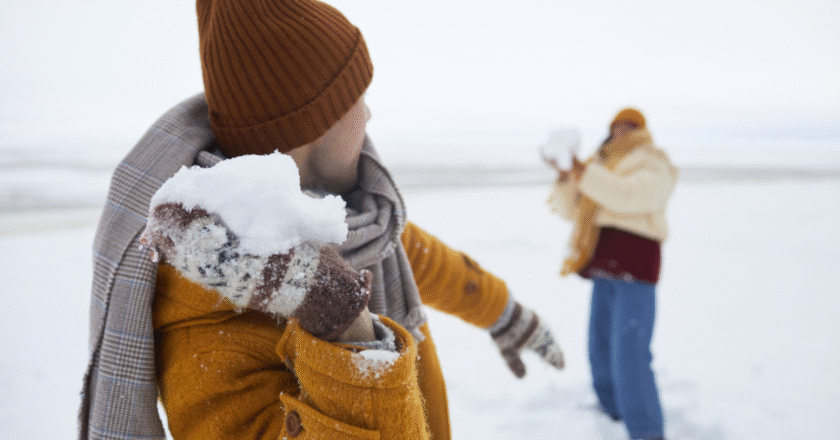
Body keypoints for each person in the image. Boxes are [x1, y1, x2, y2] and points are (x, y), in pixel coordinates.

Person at [79, 1, 565, 439]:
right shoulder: (207, 329)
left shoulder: (358, 227)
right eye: (356, 97)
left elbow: (431, 263)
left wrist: (507, 316)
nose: (369, 113)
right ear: (314, 122)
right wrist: (347, 332)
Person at [544, 108, 678, 440]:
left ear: (641, 130)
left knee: (630, 354)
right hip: (603, 266)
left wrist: (582, 171)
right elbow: (572, 210)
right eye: (616, 126)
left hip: (636, 267)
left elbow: (626, 196)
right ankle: (611, 410)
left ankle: (646, 431)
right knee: (600, 347)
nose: (620, 132)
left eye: (629, 126)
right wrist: (565, 176)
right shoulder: (599, 163)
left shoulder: (653, 162)